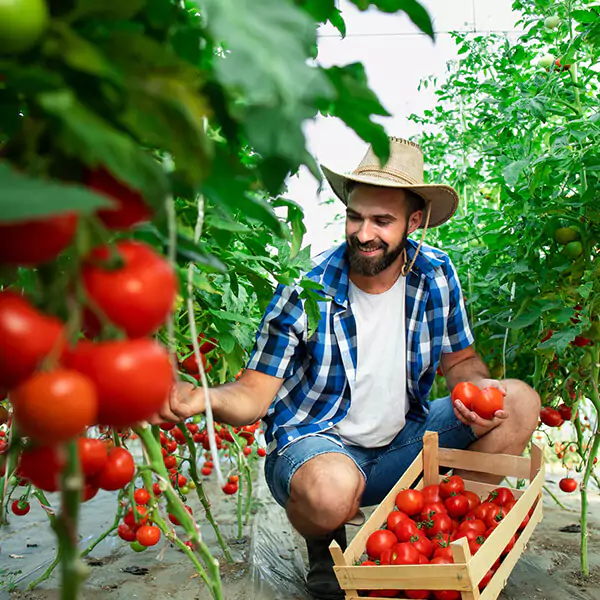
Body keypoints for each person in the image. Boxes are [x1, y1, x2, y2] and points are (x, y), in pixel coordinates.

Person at [151, 137, 541, 600]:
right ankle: (324, 541)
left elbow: (461, 361)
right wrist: (203, 398)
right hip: (317, 450)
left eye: (382, 221)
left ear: (414, 222)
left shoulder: (436, 274)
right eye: (355, 216)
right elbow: (252, 395)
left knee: (519, 401)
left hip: (404, 440)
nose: (363, 233)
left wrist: (475, 392)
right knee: (331, 491)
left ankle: (440, 531)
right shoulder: (306, 289)